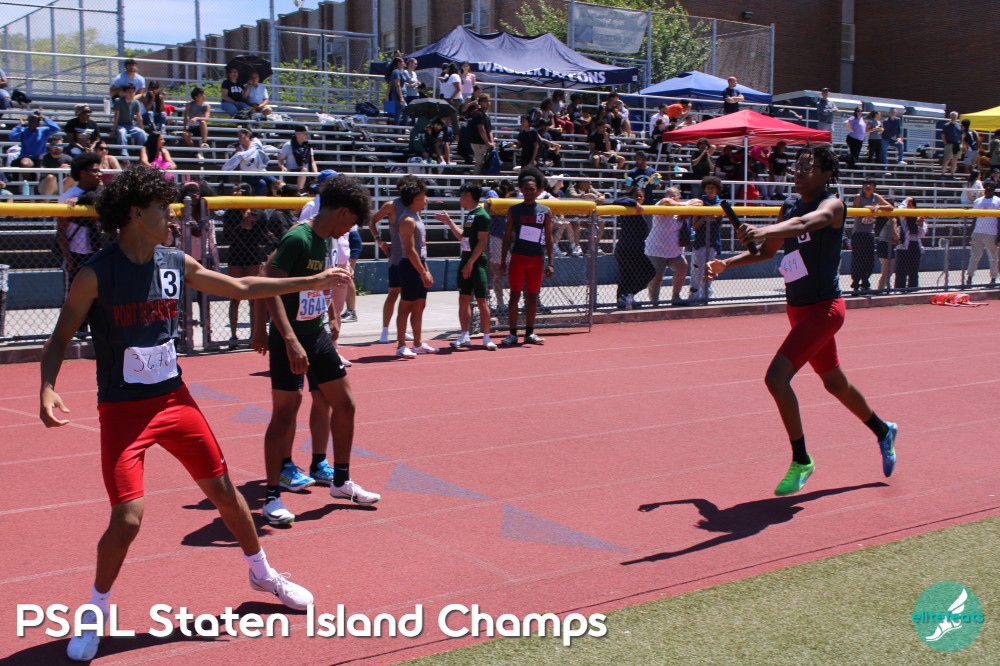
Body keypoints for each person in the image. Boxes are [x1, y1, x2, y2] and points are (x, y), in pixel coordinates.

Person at [39, 165, 330, 662]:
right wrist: (47, 386)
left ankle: (262, 574)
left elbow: (241, 288)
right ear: (136, 213)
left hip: (175, 401)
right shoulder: (96, 274)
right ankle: (95, 610)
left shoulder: (175, 261)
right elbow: (60, 337)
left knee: (226, 493)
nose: (173, 217)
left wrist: (314, 279)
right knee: (127, 519)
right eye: (163, 209)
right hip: (123, 411)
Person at [707, 144, 898, 496]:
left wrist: (764, 230)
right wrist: (727, 263)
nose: (797, 172)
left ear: (826, 174)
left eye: (806, 167)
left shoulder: (833, 205)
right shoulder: (789, 205)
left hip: (825, 309)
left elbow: (807, 224)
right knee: (835, 384)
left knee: (776, 378)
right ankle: (884, 430)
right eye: (796, 166)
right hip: (796, 308)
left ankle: (801, 460)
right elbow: (765, 252)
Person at [436, 183, 497, 350]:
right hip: (466, 260)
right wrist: (449, 222)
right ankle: (464, 335)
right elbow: (463, 237)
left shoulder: (482, 215)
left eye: (462, 195)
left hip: (477, 263)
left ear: (469, 196)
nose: (460, 199)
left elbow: (482, 242)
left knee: (481, 300)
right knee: (463, 299)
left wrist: (470, 263)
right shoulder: (470, 215)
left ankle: (486, 337)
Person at [501, 166, 554, 346]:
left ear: (538, 190)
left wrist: (551, 262)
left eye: (533, 189)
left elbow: (549, 238)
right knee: (514, 296)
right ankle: (512, 334)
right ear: (521, 190)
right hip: (518, 258)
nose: (530, 192)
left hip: (536, 259)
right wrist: (503, 261)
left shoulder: (545, 211)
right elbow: (507, 237)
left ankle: (530, 333)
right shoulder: (514, 210)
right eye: (526, 189)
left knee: (532, 297)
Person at [393, 175, 436, 357]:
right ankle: (401, 345)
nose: (427, 199)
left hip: (419, 265)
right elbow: (410, 251)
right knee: (406, 305)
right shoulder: (407, 220)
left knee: (419, 305)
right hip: (409, 267)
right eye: (424, 195)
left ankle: (417, 343)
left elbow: (421, 248)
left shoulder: (416, 216)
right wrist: (423, 272)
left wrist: (426, 270)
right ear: (416, 197)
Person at [57, 153, 103, 316]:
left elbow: (98, 195)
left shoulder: (100, 192)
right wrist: (69, 259)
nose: (99, 174)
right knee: (74, 298)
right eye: (95, 171)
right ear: (83, 173)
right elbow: (61, 232)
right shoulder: (68, 196)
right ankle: (78, 327)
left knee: (98, 297)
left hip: (96, 251)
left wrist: (81, 200)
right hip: (76, 253)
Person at [222, 183, 267, 347]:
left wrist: (253, 225)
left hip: (253, 256)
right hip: (235, 257)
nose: (235, 195)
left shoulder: (259, 213)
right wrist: (240, 225)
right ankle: (233, 336)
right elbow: (226, 237)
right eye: (234, 192)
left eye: (239, 192)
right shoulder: (230, 213)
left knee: (253, 300)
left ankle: (253, 335)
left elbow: (263, 238)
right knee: (235, 298)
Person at [646, 186, 701, 305]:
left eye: (674, 195)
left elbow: (699, 202)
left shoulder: (682, 208)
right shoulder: (660, 205)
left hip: (675, 251)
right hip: (656, 250)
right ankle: (654, 302)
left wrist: (684, 207)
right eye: (669, 194)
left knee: (682, 267)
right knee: (657, 277)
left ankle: (675, 297)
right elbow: (666, 202)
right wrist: (685, 207)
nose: (671, 197)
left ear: (679, 197)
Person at [612, 186, 654, 309]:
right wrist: (634, 203)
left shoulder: (641, 209)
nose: (639, 198)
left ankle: (626, 297)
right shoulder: (628, 207)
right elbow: (616, 200)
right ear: (631, 196)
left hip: (637, 248)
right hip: (627, 248)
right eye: (636, 196)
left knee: (632, 275)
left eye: (641, 196)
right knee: (645, 272)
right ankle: (625, 297)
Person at [850, 179, 892, 294]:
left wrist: (878, 207)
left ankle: (865, 282)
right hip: (859, 233)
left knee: (869, 259)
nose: (868, 186)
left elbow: (890, 207)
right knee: (858, 259)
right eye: (865, 184)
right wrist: (867, 209)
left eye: (871, 185)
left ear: (874, 188)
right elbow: (854, 212)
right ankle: (856, 283)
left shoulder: (876, 197)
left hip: (869, 233)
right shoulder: (858, 197)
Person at [688, 175, 723, 303]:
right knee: (697, 269)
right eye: (708, 188)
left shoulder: (720, 204)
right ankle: (693, 296)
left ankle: (707, 295)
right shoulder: (700, 203)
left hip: (713, 241)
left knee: (710, 269)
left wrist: (712, 213)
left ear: (717, 189)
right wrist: (704, 217)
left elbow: (720, 217)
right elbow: (694, 226)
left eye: (712, 188)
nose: (710, 190)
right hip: (700, 241)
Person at [965, 179, 1000, 287]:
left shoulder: (997, 201)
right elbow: (975, 217)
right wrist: (970, 231)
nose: (988, 189)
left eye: (990, 187)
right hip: (978, 231)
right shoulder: (978, 201)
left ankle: (993, 278)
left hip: (991, 232)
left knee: (993, 257)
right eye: (987, 187)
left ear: (993, 189)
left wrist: (998, 235)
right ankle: (970, 276)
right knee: (975, 256)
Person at [488, 179, 515, 312]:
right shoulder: (493, 193)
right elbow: (494, 206)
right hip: (496, 236)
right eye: (509, 192)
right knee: (496, 273)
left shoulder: (506, 200)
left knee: (508, 273)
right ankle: (499, 303)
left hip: (506, 239)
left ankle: (506, 303)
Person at [223, 127, 275, 196]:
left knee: (277, 183)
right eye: (238, 136)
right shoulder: (239, 150)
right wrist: (248, 159)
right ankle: (259, 202)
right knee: (262, 183)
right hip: (248, 175)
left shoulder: (256, 143)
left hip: (261, 172)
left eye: (241, 136)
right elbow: (241, 162)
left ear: (247, 135)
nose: (239, 138)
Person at [893, 196, 925, 292]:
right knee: (901, 268)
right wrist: (906, 200)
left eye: (912, 204)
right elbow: (900, 209)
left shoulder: (918, 217)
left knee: (913, 269)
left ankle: (913, 288)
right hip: (903, 245)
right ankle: (900, 288)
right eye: (908, 204)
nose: (910, 206)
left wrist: (920, 225)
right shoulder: (903, 216)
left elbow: (922, 234)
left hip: (915, 244)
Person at [111, 83, 147, 157]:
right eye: (129, 91)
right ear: (124, 93)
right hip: (120, 125)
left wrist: (142, 129)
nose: (131, 94)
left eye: (133, 92)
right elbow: (116, 116)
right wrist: (114, 130)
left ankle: (143, 153)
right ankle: (124, 155)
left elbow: (139, 117)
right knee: (121, 132)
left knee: (142, 133)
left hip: (131, 125)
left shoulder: (136, 102)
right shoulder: (118, 101)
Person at [278, 124, 317, 190]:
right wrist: (283, 167)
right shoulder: (288, 145)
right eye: (305, 133)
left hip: (307, 174)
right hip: (292, 173)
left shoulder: (308, 145)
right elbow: (280, 160)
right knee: (304, 169)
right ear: (298, 133)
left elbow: (312, 161)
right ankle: (299, 190)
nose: (307, 135)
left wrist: (315, 174)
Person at [468, 93, 494, 175]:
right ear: (480, 103)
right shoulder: (479, 114)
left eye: (488, 101)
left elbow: (489, 130)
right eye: (485, 101)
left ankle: (481, 180)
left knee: (484, 164)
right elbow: (481, 129)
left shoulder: (486, 116)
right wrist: (487, 142)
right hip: (478, 143)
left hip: (485, 144)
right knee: (479, 164)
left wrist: (492, 142)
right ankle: (475, 181)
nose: (487, 103)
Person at [182, 86, 211, 151]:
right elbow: (186, 117)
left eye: (203, 95)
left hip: (201, 128)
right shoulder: (189, 105)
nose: (203, 96)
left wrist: (196, 118)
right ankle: (195, 151)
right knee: (185, 134)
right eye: (201, 95)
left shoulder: (206, 106)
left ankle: (204, 142)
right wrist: (184, 128)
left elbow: (206, 118)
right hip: (192, 127)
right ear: (196, 97)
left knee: (203, 122)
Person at [941, 112, 963, 178]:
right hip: (949, 144)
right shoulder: (946, 125)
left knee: (955, 160)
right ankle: (943, 174)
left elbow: (961, 135)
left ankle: (952, 175)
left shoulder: (959, 126)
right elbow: (943, 135)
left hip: (957, 144)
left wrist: (961, 143)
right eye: (953, 116)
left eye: (955, 116)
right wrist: (946, 143)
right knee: (947, 159)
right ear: (950, 117)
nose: (954, 117)